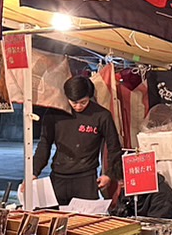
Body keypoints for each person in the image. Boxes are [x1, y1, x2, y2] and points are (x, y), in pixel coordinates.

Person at [33, 75, 122, 206]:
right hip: (59, 177)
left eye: (83, 102)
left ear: (90, 97)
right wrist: (34, 172)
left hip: (86, 179)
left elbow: (114, 147)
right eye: (74, 102)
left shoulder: (102, 116)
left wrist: (109, 175)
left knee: (86, 221)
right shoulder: (55, 113)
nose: (78, 106)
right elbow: (44, 144)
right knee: (56, 219)